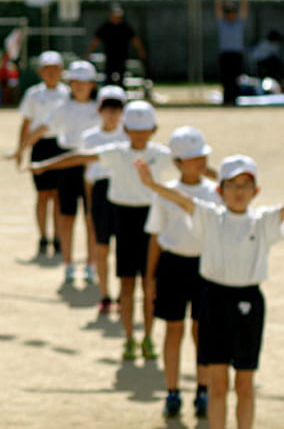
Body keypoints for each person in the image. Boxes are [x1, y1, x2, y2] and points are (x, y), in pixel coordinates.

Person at [136, 156, 284, 429]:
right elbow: (182, 200)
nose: (239, 192)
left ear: (256, 190)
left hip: (248, 303)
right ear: (220, 190)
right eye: (232, 185)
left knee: (245, 383)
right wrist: (151, 184)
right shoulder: (209, 216)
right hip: (214, 300)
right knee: (218, 383)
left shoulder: (262, 221)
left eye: (246, 185)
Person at [32, 100, 173, 361]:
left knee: (150, 284)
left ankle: (148, 337)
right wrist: (46, 164)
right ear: (125, 130)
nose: (139, 135)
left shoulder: (161, 154)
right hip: (125, 220)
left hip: (152, 223)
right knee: (127, 283)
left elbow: (193, 167)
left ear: (153, 130)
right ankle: (129, 338)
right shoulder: (116, 152)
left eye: (144, 130)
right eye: (134, 130)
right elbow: (79, 157)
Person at [144, 126, 219, 420]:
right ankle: (172, 391)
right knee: (173, 330)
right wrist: (150, 277)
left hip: (206, 268)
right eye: (192, 158)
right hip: (172, 266)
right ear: (177, 162)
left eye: (202, 156)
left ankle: (202, 390)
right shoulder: (165, 193)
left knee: (202, 331)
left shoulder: (215, 192)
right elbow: (155, 236)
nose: (200, 162)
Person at [19, 60, 99, 283]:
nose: (80, 86)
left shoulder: (100, 108)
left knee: (92, 218)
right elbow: (41, 128)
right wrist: (21, 149)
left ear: (92, 84)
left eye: (84, 82)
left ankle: (91, 263)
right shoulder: (63, 108)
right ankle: (69, 262)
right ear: (70, 83)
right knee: (66, 216)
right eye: (75, 82)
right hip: (68, 164)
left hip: (93, 165)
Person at [14, 50, 70, 261]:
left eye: (55, 69)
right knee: (43, 194)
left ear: (61, 71)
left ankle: (58, 237)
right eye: (47, 70)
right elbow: (26, 123)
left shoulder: (68, 94)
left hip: (62, 145)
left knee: (58, 196)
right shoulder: (34, 94)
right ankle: (43, 237)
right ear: (40, 72)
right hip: (40, 146)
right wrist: (21, 149)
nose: (51, 74)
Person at [81, 86, 130, 314]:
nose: (112, 114)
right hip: (101, 193)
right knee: (101, 246)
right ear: (99, 110)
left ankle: (122, 294)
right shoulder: (90, 138)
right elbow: (87, 175)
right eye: (108, 109)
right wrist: (89, 207)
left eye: (117, 109)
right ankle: (104, 294)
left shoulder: (129, 136)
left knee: (123, 247)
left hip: (123, 191)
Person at [87, 4, 147, 88]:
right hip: (110, 57)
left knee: (121, 78)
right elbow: (95, 40)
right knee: (108, 78)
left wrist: (141, 51)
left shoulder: (125, 27)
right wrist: (89, 52)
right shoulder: (106, 26)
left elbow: (135, 40)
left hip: (122, 56)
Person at [215, 0, 249, 105]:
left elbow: (244, 12)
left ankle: (235, 99)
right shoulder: (222, 23)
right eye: (229, 13)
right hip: (225, 54)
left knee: (236, 78)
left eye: (232, 13)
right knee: (225, 78)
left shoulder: (239, 23)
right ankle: (226, 99)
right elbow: (218, 12)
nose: (231, 15)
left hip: (236, 54)